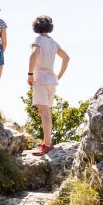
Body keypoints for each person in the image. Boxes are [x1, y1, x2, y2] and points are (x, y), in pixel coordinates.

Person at [26, 14, 70, 155]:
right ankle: (47, 141)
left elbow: (33, 55)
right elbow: (66, 58)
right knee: (46, 112)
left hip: (40, 79)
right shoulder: (53, 43)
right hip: (51, 80)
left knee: (44, 113)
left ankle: (47, 144)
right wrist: (59, 75)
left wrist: (30, 74)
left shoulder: (37, 40)